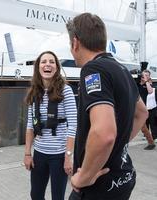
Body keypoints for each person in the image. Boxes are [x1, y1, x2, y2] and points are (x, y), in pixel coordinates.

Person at [66, 13, 148, 200]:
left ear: (75, 43)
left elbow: (104, 133)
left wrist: (83, 177)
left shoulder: (92, 70)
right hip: (122, 178)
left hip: (98, 187)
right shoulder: (122, 70)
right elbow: (141, 113)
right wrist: (118, 147)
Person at [23, 51, 77, 200]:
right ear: (38, 67)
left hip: (59, 156)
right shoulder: (34, 92)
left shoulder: (66, 91)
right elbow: (30, 125)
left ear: (57, 67)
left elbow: (73, 125)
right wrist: (28, 153)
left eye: (52, 62)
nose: (48, 64)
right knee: (36, 195)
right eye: (44, 61)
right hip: (39, 154)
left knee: (57, 196)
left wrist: (68, 157)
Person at [138, 70, 156, 150]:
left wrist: (146, 81)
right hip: (137, 107)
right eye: (144, 75)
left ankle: (151, 141)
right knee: (143, 126)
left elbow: (150, 91)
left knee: (146, 125)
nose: (145, 76)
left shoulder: (149, 85)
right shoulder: (137, 83)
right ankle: (150, 140)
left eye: (147, 75)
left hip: (146, 108)